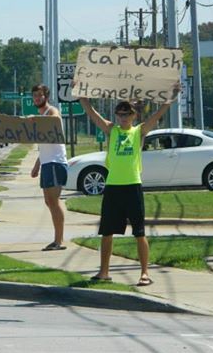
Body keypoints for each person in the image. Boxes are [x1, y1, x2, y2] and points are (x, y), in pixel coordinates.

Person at [78, 90, 177, 286]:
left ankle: (144, 273)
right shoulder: (111, 130)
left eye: (127, 114)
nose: (123, 118)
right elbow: (91, 113)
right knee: (106, 232)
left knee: (139, 232)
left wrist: (170, 98)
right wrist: (81, 95)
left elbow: (157, 116)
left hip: (132, 186)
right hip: (113, 186)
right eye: (120, 114)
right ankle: (104, 272)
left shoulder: (139, 131)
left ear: (134, 115)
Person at [30, 84, 69, 251]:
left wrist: (35, 120)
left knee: (54, 201)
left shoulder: (51, 111)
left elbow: (56, 119)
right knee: (49, 201)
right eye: (35, 96)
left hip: (56, 163)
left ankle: (59, 241)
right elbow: (45, 147)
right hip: (47, 163)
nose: (37, 98)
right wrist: (36, 166)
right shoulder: (41, 117)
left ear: (46, 96)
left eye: (40, 95)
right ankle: (57, 239)